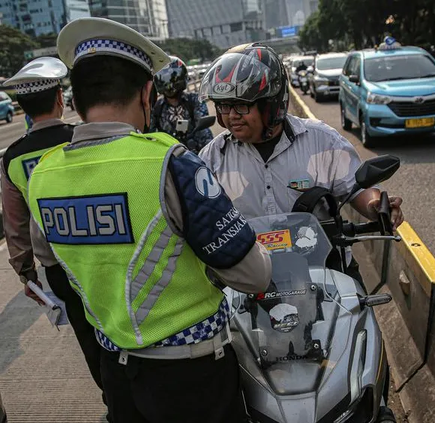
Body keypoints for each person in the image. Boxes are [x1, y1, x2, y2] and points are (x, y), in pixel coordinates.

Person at [27, 18, 271, 423]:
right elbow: (253, 275)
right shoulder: (170, 162)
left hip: (117, 376)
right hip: (192, 381)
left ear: (75, 99)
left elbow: (53, 266)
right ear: (146, 94)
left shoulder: (42, 175)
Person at [198, 43, 404, 279]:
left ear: (271, 104)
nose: (232, 115)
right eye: (224, 105)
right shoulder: (212, 158)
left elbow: (357, 188)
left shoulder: (321, 140)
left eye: (242, 105)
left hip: (327, 276)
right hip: (249, 287)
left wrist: (375, 206)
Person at [1, 57, 110, 419]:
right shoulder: (81, 138)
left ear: (24, 109)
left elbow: (15, 226)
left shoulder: (13, 159)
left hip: (57, 267)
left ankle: (110, 395)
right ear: (60, 99)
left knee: (84, 331)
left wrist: (26, 273)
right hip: (104, 253)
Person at [150, 56, 213, 151]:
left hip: (194, 154)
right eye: (164, 78)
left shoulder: (194, 100)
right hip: (168, 155)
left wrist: (206, 154)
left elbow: (202, 131)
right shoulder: (157, 107)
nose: (169, 85)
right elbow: (150, 133)